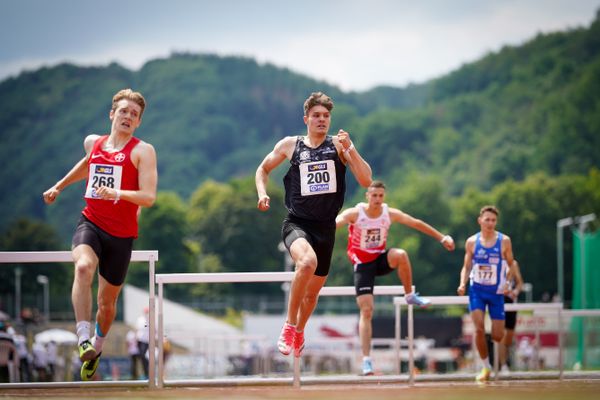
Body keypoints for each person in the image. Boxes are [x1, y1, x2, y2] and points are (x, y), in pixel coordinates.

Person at [42, 88, 157, 381]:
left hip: (121, 236)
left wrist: (117, 192)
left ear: (139, 122)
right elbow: (87, 164)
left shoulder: (143, 151)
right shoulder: (93, 143)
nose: (128, 117)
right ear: (112, 114)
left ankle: (97, 346)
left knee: (107, 305)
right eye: (123, 111)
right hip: (91, 223)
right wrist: (59, 185)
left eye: (134, 114)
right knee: (82, 267)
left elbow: (148, 197)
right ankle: (81, 337)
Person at [255, 91, 372, 358]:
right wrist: (262, 192)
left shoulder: (339, 146)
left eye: (326, 116)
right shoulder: (290, 145)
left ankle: (299, 330)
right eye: (316, 115)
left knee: (312, 295)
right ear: (306, 118)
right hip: (297, 223)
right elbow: (262, 169)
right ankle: (289, 324)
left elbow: (366, 180)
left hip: (326, 229)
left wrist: (351, 148)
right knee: (307, 263)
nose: (322, 120)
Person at [336, 180, 455, 375]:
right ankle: (367, 361)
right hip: (362, 264)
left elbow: (416, 223)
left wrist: (442, 237)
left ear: (384, 197)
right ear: (367, 196)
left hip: (381, 259)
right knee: (366, 311)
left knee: (401, 255)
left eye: (381, 196)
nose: (377, 199)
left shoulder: (389, 213)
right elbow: (335, 223)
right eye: (374, 195)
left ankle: (409, 295)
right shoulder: (355, 213)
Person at [457, 205, 515, 382]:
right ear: (480, 220)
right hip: (477, 291)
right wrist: (462, 284)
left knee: (498, 335)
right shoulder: (471, 242)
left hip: (496, 292)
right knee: (479, 328)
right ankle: (486, 367)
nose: (490, 223)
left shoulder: (504, 241)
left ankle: (494, 352)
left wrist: (506, 283)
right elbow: (467, 266)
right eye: (487, 219)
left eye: (493, 220)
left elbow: (511, 265)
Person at [500, 259, 524, 375]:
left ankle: (506, 362)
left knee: (509, 335)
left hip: (511, 301)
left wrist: (515, 292)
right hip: (499, 301)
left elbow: (520, 283)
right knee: (501, 335)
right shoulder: (494, 260)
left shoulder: (513, 264)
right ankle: (503, 364)